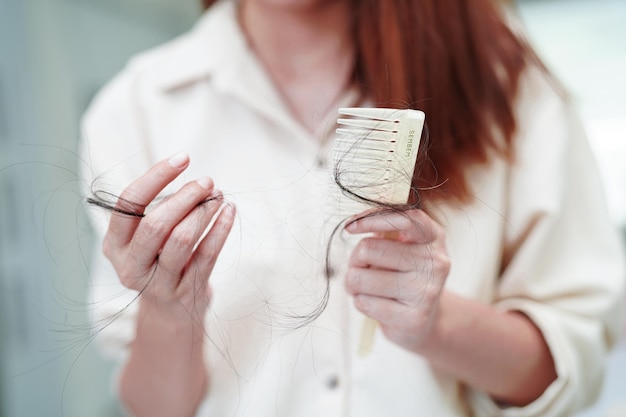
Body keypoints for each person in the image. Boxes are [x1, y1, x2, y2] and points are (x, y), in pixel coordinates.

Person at [80, 1, 625, 416]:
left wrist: (436, 324)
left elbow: (566, 371)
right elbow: (154, 407)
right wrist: (169, 309)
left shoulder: (505, 81)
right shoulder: (134, 109)